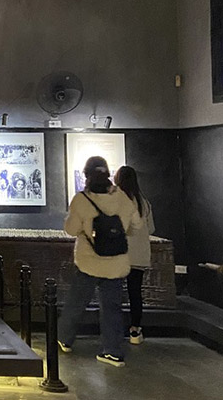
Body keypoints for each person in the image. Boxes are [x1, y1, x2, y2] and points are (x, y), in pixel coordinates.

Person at [58, 156, 143, 367]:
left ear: (86, 176)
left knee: (76, 303)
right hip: (115, 263)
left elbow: (71, 230)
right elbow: (137, 225)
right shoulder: (122, 198)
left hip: (89, 261)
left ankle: (64, 339)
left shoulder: (81, 200)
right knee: (113, 308)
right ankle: (112, 351)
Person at [114, 165, 155, 345]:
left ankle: (112, 329)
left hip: (120, 255)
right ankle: (135, 331)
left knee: (114, 292)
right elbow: (151, 228)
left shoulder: (117, 201)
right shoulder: (143, 202)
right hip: (139, 255)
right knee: (135, 293)